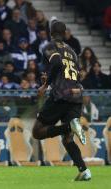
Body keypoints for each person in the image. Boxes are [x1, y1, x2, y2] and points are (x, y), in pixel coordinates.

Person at [32, 19, 91, 181]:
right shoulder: (72, 51)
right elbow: (75, 74)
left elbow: (57, 63)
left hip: (60, 95)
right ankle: (84, 171)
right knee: (68, 140)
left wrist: (46, 85)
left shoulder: (50, 46)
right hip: (76, 96)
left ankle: (67, 127)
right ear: (65, 34)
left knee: (37, 131)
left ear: (51, 33)